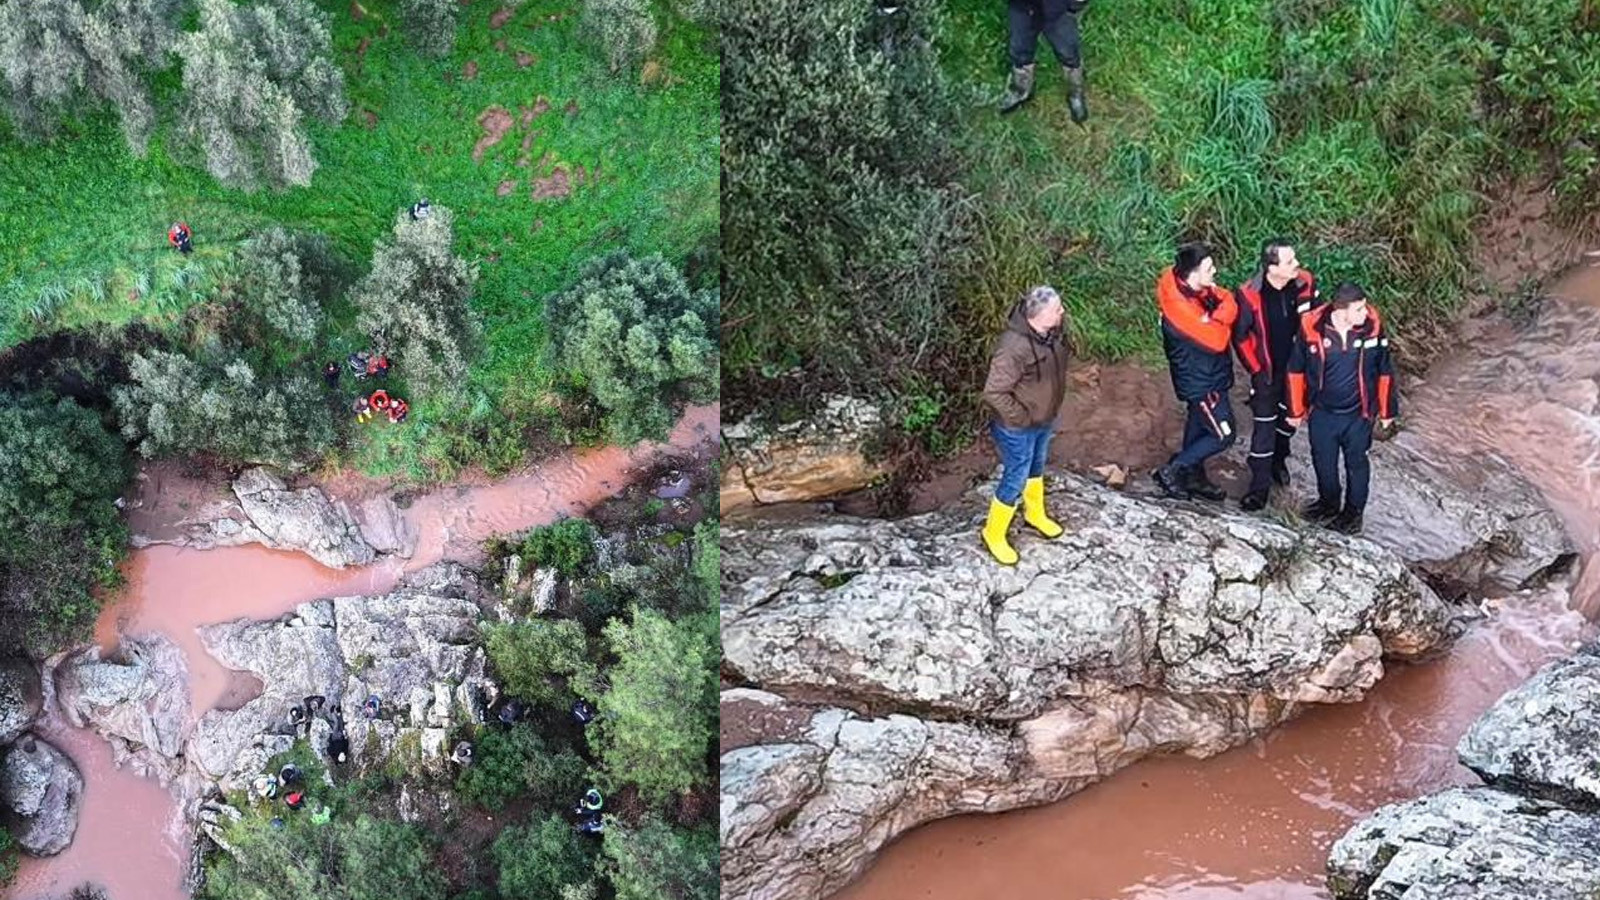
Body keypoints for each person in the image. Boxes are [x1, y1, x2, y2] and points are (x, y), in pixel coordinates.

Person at [1285, 281, 1397, 534]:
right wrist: (1295, 410)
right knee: (1323, 462)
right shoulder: (1312, 327)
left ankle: (1353, 514)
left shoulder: (1371, 329)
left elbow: (1385, 371)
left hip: (1359, 414)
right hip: (1322, 413)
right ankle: (1328, 503)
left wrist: (1387, 412)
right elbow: (1295, 370)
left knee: (1357, 464)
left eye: (1364, 307)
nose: (1365, 313)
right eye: (1358, 309)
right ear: (1341, 310)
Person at [1152, 242, 1260, 501]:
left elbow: (1226, 300)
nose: (1215, 273)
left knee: (1199, 426)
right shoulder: (1179, 308)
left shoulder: (1186, 286)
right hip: (1202, 383)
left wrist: (1218, 313)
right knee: (1223, 434)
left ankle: (1192, 475)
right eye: (1209, 268)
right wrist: (1221, 317)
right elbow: (1218, 340)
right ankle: (1172, 470)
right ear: (1193, 273)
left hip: (1207, 375)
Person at [979, 285, 1072, 566]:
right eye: (1057, 309)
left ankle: (1035, 513)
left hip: (1043, 419)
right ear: (1041, 314)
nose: (1062, 312)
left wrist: (1044, 411)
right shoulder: (1012, 347)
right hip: (1017, 426)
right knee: (1016, 475)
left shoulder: (1052, 333)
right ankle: (993, 532)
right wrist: (1022, 417)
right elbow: (993, 392)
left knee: (1036, 466)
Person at [1234, 240, 1320, 511]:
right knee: (1264, 427)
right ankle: (1258, 489)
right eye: (1290, 261)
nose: (1297, 265)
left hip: (1298, 370)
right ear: (1272, 268)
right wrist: (1256, 369)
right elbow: (1240, 337)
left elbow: (1317, 320)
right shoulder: (1249, 294)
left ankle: (1279, 457)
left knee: (1290, 420)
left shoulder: (1305, 283)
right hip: (1268, 372)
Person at [999, 0, 1090, 123]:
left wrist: (1077, 3)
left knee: (1068, 51)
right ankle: (1021, 90)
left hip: (1057, 7)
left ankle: (1075, 92)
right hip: (1021, 5)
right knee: (1020, 48)